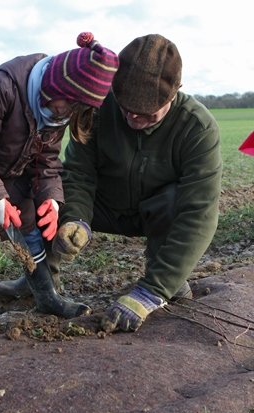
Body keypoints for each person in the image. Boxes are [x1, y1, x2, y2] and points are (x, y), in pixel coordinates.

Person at [0, 32, 119, 330]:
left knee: (30, 220)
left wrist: (52, 200)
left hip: (8, 170)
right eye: (65, 107)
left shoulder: (58, 110)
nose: (65, 116)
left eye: (73, 112)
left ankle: (46, 296)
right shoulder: (1, 88)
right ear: (55, 86)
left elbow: (46, 160)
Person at [45, 34, 222, 333]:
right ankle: (42, 280)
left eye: (146, 112)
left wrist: (152, 290)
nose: (134, 118)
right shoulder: (98, 107)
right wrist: (76, 217)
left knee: (178, 200)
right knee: (49, 192)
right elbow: (78, 171)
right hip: (105, 206)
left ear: (174, 93)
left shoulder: (197, 127)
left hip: (155, 211)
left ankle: (165, 280)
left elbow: (199, 214)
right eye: (127, 107)